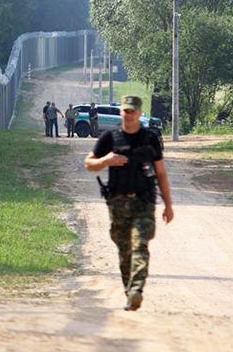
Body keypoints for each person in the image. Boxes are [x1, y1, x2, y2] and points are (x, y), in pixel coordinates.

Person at [85, 95, 174, 311]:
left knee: (139, 245)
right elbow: (89, 163)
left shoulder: (150, 138)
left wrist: (168, 205)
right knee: (124, 251)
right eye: (126, 110)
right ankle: (129, 292)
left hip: (144, 202)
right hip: (118, 203)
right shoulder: (110, 137)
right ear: (121, 112)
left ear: (140, 113)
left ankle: (136, 290)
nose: (130, 114)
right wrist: (105, 161)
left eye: (134, 110)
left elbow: (161, 173)